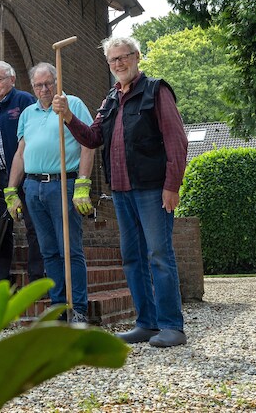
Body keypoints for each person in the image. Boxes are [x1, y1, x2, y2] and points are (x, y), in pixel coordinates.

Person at [54, 36, 190, 348]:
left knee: (159, 255)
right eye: (113, 60)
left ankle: (172, 326)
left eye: (123, 57)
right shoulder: (110, 100)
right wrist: (69, 118)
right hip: (121, 192)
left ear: (136, 56)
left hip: (153, 190)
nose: (119, 64)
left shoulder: (156, 91)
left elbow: (177, 141)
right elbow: (91, 138)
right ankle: (147, 322)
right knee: (132, 258)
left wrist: (172, 186)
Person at [3, 63, 95, 323]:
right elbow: (21, 153)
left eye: (48, 84)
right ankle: (58, 306)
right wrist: (11, 190)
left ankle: (78, 308)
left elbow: (88, 144)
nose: (44, 90)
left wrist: (83, 185)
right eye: (38, 85)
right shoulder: (28, 114)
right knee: (48, 250)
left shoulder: (72, 105)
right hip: (33, 187)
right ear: (32, 88)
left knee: (70, 249)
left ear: (57, 82)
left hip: (63, 184)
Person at [0, 61, 44, 293]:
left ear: (12, 80)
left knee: (33, 228)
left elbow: (34, 138)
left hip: (25, 178)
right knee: (1, 233)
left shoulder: (24, 101)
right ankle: (1, 285)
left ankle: (37, 282)